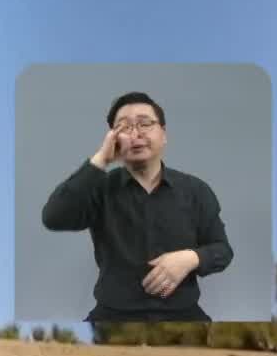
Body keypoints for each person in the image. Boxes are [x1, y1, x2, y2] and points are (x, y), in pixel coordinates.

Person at [40, 91, 234, 323]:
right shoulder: (100, 189)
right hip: (112, 316)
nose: (136, 133)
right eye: (124, 127)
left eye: (145, 123)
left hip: (184, 315)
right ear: (113, 139)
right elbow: (53, 217)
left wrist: (191, 258)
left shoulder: (196, 190)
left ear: (164, 134)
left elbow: (223, 251)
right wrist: (101, 159)